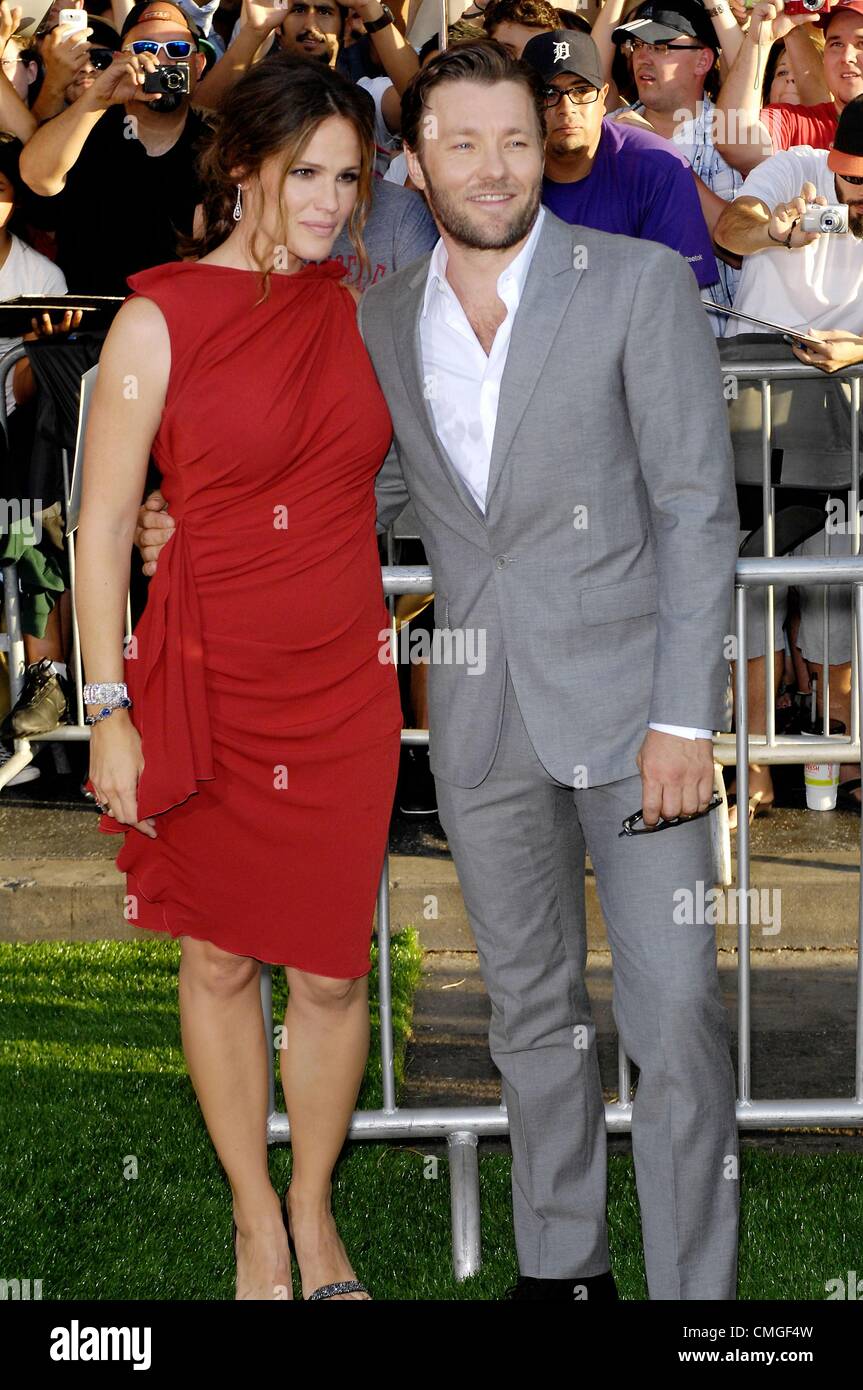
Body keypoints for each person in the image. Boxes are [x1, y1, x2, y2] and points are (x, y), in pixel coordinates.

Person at [140, 36, 741, 1301]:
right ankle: (560, 1270)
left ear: (546, 149)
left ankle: (696, 1302)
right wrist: (196, 518)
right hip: (479, 725)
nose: (493, 166)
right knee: (527, 1014)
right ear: (413, 165)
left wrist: (687, 717)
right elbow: (371, 484)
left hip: (642, 722)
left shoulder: (632, 285)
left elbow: (697, 512)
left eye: (515, 139)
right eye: (460, 142)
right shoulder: (379, 318)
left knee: (676, 1018)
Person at [74, 52, 403, 1301]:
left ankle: (316, 1212)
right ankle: (257, 1223)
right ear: (243, 166)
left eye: (348, 178)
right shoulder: (157, 317)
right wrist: (106, 710)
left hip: (340, 678)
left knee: (327, 965)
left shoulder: (363, 304)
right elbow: (103, 523)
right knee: (217, 956)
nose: (327, 202)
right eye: (303, 173)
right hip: (208, 668)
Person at [714, 93, 863, 820]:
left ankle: (831, 757)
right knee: (748, 579)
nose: (848, 195)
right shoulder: (792, 167)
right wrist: (776, 231)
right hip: (755, 394)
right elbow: (729, 228)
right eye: (845, 178)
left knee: (834, 588)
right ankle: (757, 763)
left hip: (845, 409)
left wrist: (859, 349)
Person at [20, 2, 212, 295]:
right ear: (121, 59)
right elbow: (36, 178)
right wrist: (98, 97)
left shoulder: (221, 137)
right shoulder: (86, 123)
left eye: (177, 49)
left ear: (197, 66)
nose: (159, 60)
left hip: (184, 321)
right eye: (145, 48)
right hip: (93, 325)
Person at [522, 28, 721, 290]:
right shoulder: (499, 172)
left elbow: (673, 298)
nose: (566, 108)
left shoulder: (656, 166)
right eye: (549, 93)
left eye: (581, 91)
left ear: (603, 98)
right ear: (523, 102)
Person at [607, 0, 745, 330]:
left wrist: (663, 155)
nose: (642, 56)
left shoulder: (736, 135)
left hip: (719, 352)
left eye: (661, 46)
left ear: (703, 60)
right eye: (637, 45)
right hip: (626, 350)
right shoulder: (605, 135)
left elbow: (740, 249)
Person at [716, 0, 861, 173]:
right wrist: (758, 42)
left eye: (862, 44)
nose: (847, 56)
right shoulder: (799, 123)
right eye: (836, 44)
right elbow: (735, 143)